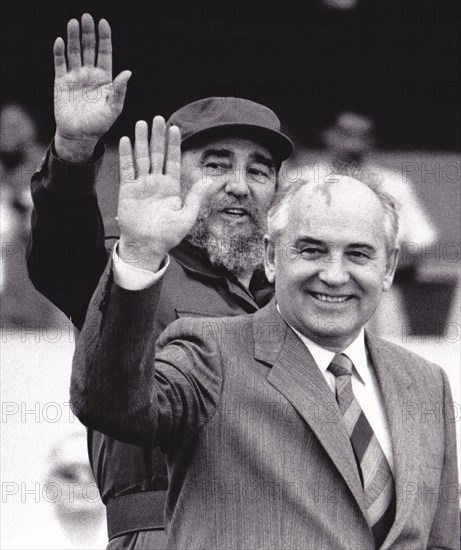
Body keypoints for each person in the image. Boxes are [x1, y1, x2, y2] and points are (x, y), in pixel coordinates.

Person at [70, 150, 459, 549]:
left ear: (389, 266)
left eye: (358, 253)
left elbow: (442, 539)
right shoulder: (212, 353)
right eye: (311, 250)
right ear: (272, 257)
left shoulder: (426, 383)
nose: (334, 274)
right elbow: (112, 404)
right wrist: (140, 254)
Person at [26, 13, 293, 548]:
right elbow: (59, 252)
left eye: (259, 170)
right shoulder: (130, 264)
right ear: (170, 170)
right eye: (217, 164)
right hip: (166, 530)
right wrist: (75, 150)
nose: (239, 186)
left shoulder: (289, 298)